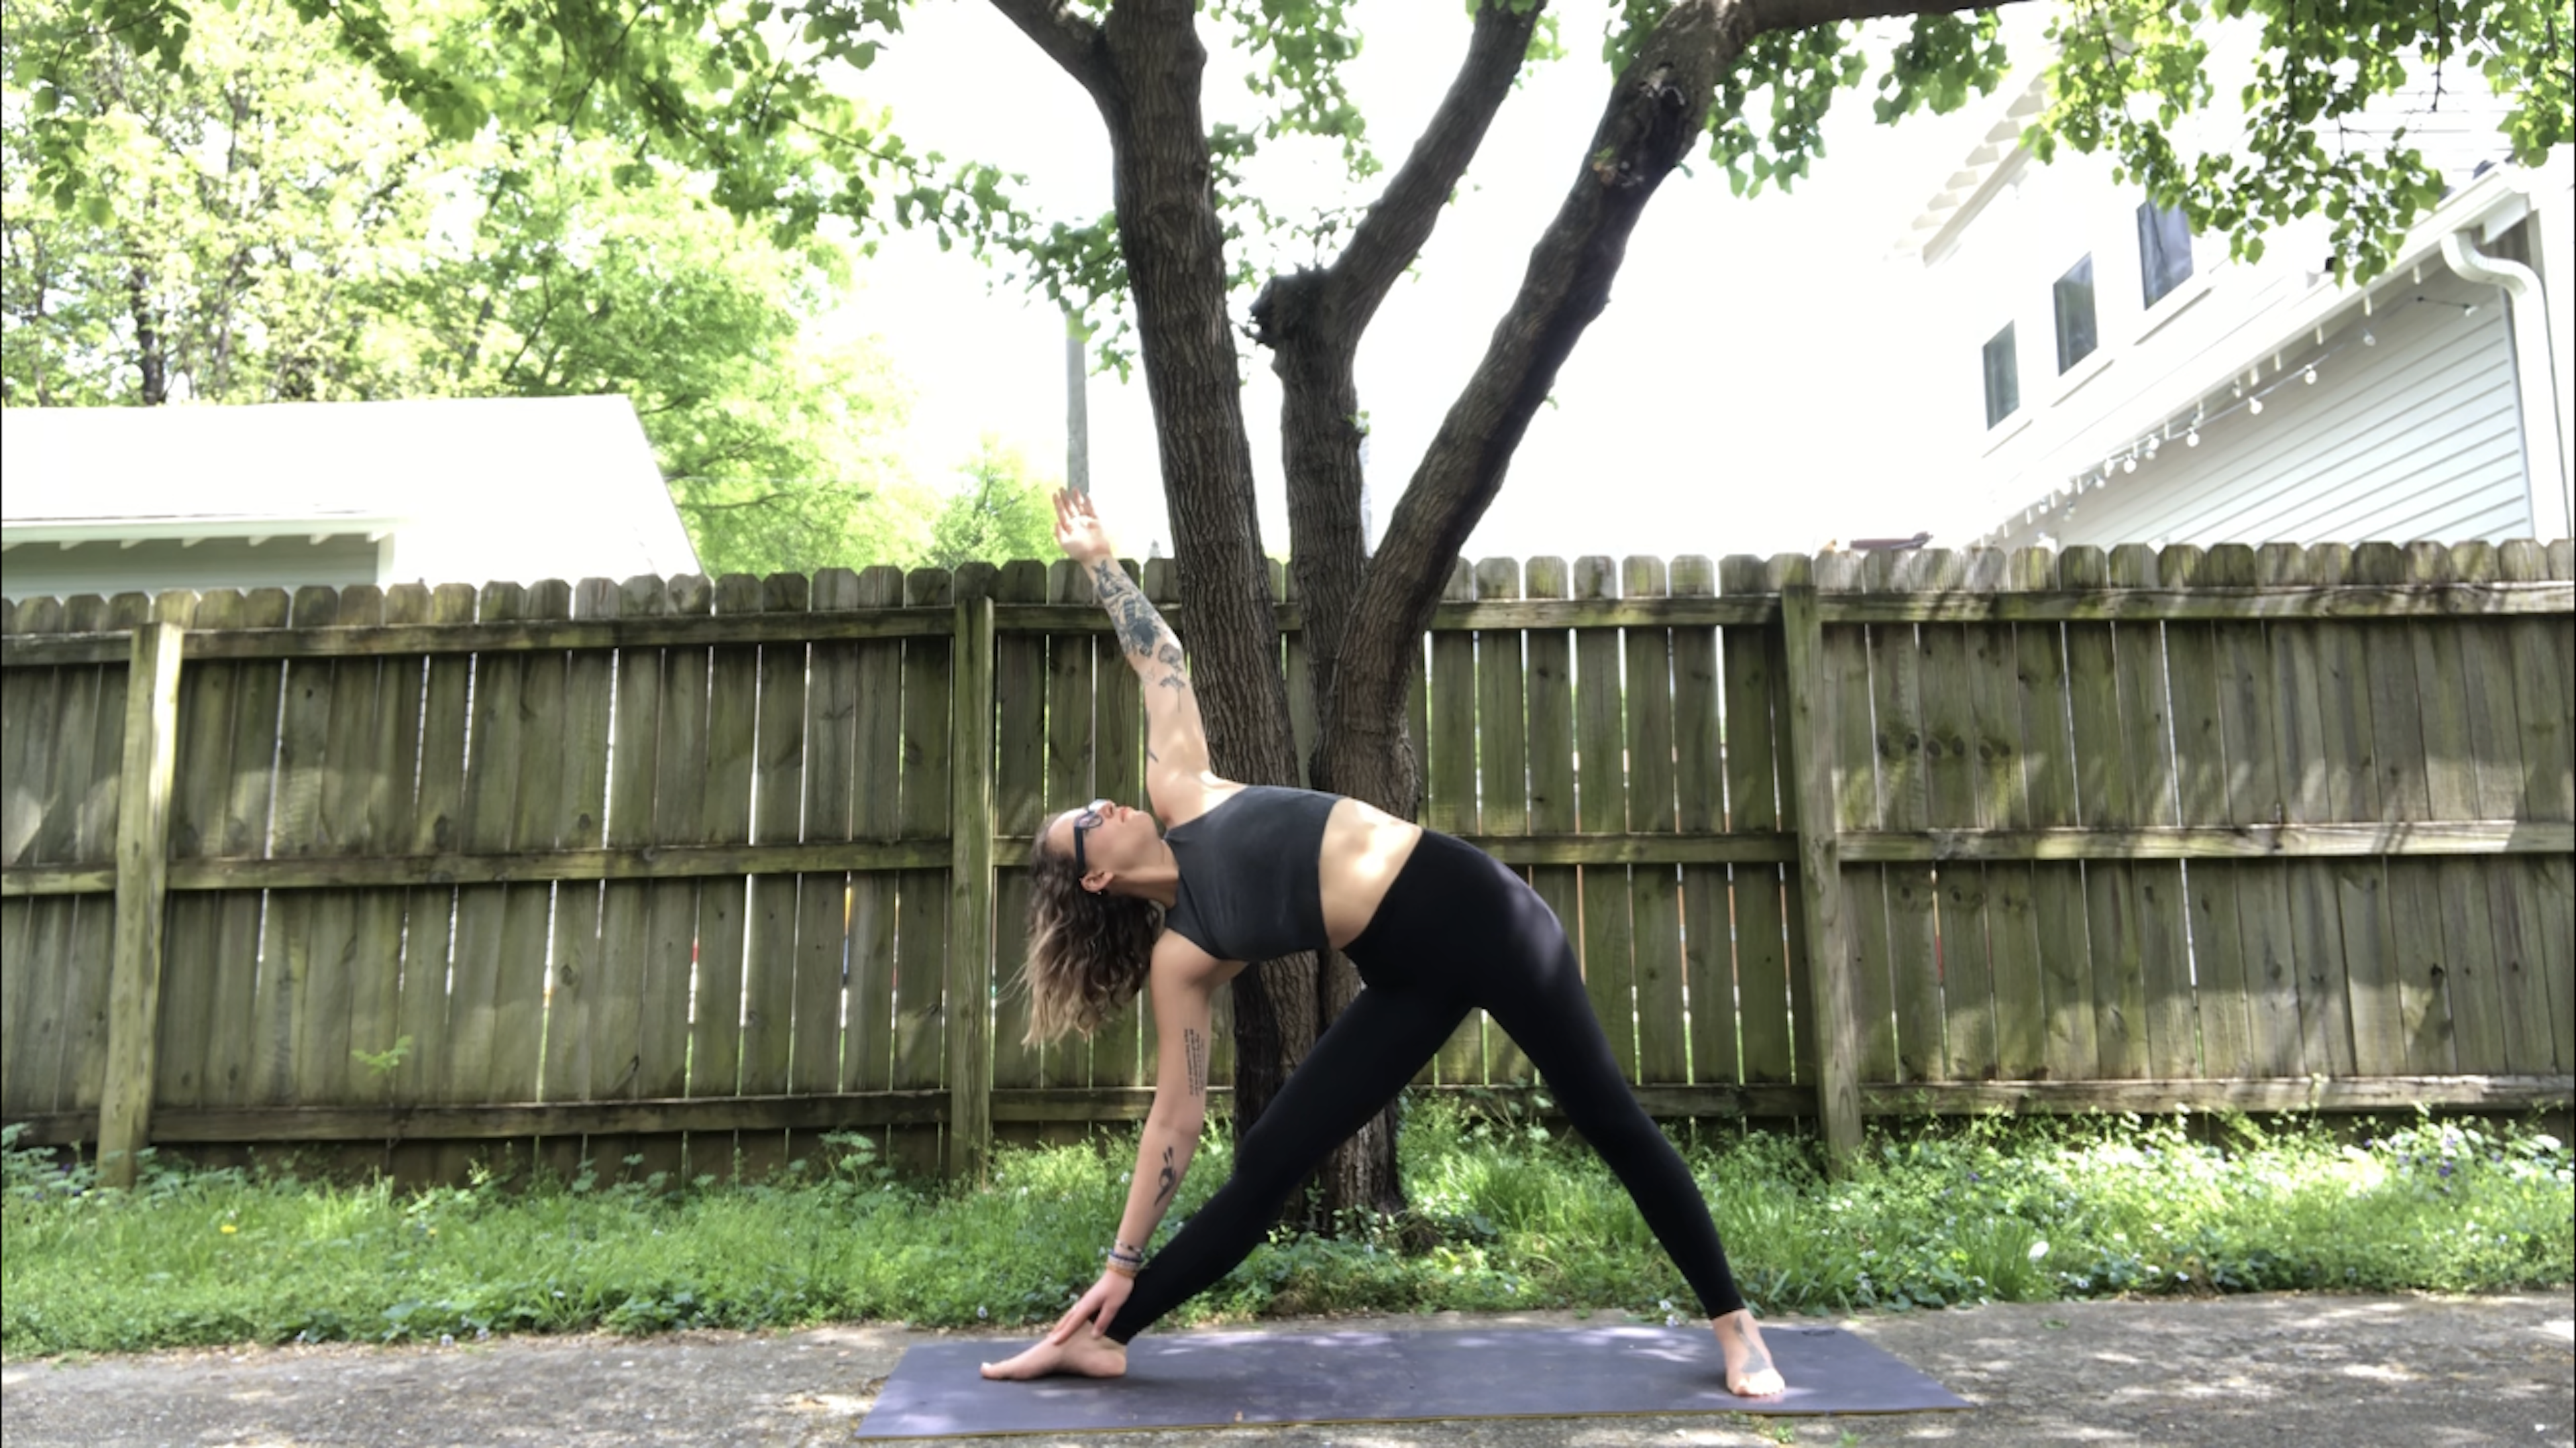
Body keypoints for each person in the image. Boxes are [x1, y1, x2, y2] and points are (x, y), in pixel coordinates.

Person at [978, 490, 1783, 1397]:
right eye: (1086, 823)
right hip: (1404, 977)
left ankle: (1737, 1326)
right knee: (1267, 1161)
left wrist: (1100, 560)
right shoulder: (1185, 954)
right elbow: (1175, 1119)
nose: (1105, 805)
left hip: (1484, 914)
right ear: (1095, 877)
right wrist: (1122, 1260)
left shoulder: (1180, 785)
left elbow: (1159, 655)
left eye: (1092, 801)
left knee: (1606, 1115)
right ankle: (1107, 1329)